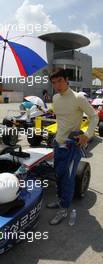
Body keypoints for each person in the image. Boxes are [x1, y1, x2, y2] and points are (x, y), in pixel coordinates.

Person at [47, 68, 98, 225]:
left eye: (60, 81)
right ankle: (60, 200)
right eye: (54, 82)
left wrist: (86, 135)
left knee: (68, 179)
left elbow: (94, 116)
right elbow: (61, 119)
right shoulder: (55, 98)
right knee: (58, 175)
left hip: (71, 146)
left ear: (66, 80)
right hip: (58, 143)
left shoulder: (78, 98)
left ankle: (64, 209)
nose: (57, 85)